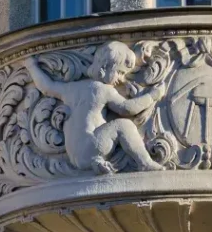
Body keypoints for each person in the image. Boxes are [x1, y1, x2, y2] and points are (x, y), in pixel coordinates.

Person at [25, 42, 165, 173]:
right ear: (105, 67)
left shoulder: (71, 88)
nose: (121, 78)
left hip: (75, 155)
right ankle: (145, 163)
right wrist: (152, 95)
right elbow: (127, 108)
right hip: (90, 147)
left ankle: (96, 162)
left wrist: (31, 66)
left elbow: (46, 87)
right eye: (120, 72)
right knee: (124, 125)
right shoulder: (102, 89)